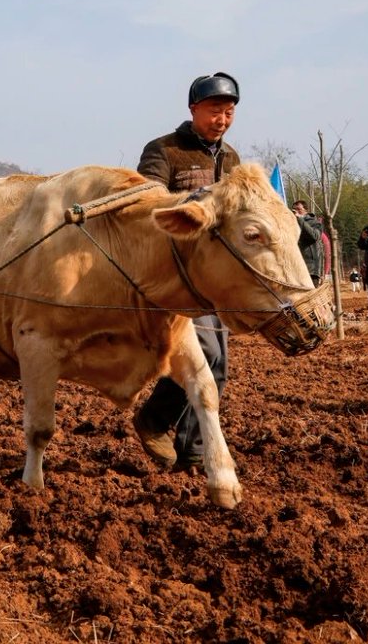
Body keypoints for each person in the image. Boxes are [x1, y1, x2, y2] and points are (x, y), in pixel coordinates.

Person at [133, 71, 241, 472]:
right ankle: (160, 425)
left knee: (218, 365)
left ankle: (187, 447)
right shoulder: (164, 150)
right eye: (215, 110)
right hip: (172, 276)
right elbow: (146, 202)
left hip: (213, 278)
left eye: (229, 112)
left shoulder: (231, 158)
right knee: (207, 357)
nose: (222, 119)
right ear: (194, 109)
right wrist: (200, 203)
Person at [291, 200, 325, 287]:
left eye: (298, 209)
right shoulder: (291, 224)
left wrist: (300, 219)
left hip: (311, 268)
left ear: (306, 210)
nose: (295, 211)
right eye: (294, 209)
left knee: (311, 295)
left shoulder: (315, 222)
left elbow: (314, 236)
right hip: (295, 267)